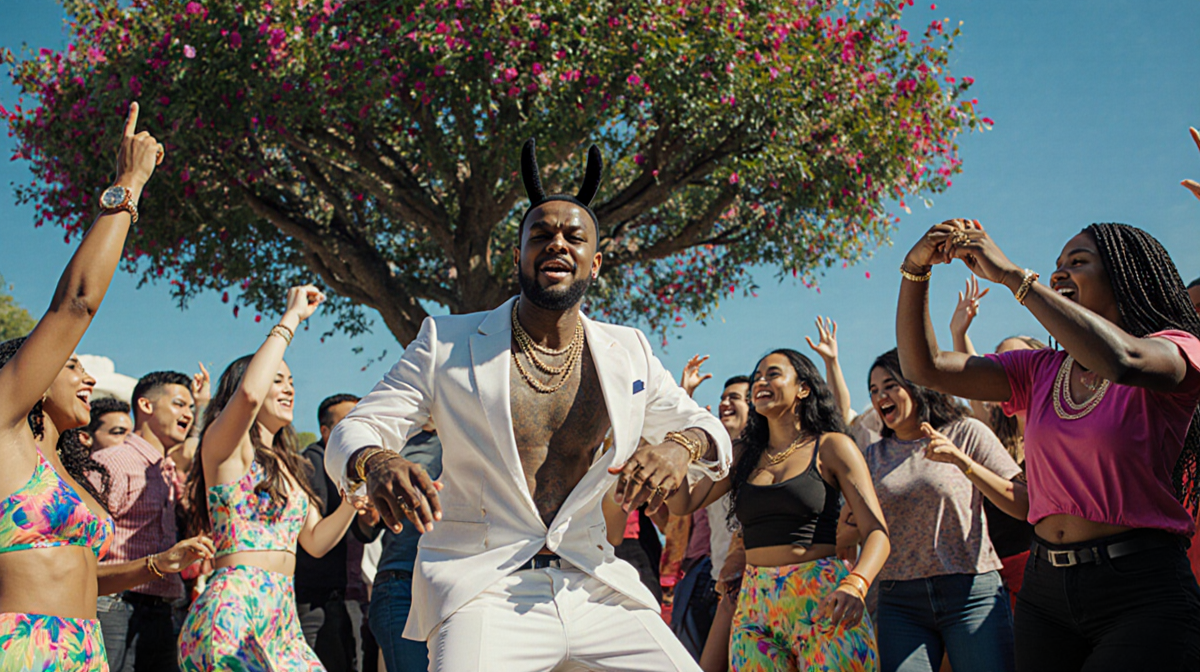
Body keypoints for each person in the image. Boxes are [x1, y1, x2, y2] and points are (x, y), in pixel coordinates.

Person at [326, 138, 731, 671]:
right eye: (540, 235)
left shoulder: (627, 351)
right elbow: (357, 428)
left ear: (596, 261)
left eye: (573, 236)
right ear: (518, 255)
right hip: (485, 588)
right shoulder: (446, 342)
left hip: (594, 581)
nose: (556, 244)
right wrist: (376, 461)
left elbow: (708, 429)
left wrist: (681, 446)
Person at [895, 219, 1200, 670]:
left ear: (1125, 274)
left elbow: (1123, 360)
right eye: (1056, 265)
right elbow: (927, 368)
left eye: (1078, 262)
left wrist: (1013, 277)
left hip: (1141, 589)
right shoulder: (1039, 370)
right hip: (1046, 592)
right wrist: (914, 269)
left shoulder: (1177, 349)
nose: (1058, 273)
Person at [0, 103, 212, 671]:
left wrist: (156, 565)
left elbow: (81, 572)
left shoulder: (68, 466)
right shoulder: (3, 430)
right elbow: (76, 303)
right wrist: (128, 184)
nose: (88, 377)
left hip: (83, 647)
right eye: (70, 366)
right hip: (22, 649)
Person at [672, 348, 890, 672]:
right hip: (754, 604)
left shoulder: (832, 446)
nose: (760, 381)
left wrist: (856, 584)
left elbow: (877, 533)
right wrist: (670, 454)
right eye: (756, 376)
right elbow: (684, 502)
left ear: (803, 388)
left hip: (822, 598)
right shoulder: (741, 454)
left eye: (772, 374)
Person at [178, 285, 361, 671]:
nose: (289, 388)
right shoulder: (226, 449)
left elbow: (314, 541)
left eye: (291, 381)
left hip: (282, 616)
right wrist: (290, 319)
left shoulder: (291, 467)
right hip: (233, 609)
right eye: (277, 379)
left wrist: (352, 502)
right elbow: (247, 394)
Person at [860, 349, 1024, 672]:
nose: (881, 396)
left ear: (917, 385)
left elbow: (1023, 504)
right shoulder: (871, 457)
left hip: (971, 592)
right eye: (874, 391)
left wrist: (964, 464)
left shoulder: (965, 433)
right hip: (899, 599)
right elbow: (855, 527)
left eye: (890, 385)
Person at [91, 371, 197, 671]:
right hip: (115, 607)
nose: (188, 414)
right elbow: (82, 547)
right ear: (146, 406)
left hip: (161, 612)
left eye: (192, 408)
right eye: (179, 404)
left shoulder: (167, 470)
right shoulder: (114, 461)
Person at [948, 277, 1043, 600]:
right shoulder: (995, 434)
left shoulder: (1065, 423)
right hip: (1001, 567)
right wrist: (959, 334)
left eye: (1017, 361)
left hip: (1050, 561)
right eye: (1000, 363)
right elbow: (977, 385)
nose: (1008, 370)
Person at [295, 393, 374, 672]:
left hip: (347, 597)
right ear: (325, 431)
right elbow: (314, 539)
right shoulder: (310, 464)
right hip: (312, 601)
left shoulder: (354, 466)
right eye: (347, 423)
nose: (355, 430)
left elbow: (364, 534)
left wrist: (370, 516)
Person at [360, 425, 442, 672]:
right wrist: (369, 514)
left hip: (465, 587)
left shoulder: (478, 435)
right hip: (401, 587)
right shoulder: (394, 442)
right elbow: (366, 530)